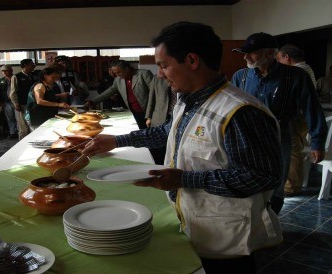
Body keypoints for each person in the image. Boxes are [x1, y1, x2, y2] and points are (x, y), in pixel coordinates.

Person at [82, 22, 283, 273]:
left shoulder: (240, 111)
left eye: (164, 65)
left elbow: (261, 176)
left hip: (227, 237)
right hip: (196, 222)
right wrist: (117, 140)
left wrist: (184, 179)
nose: (159, 74)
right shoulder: (188, 100)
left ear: (191, 60)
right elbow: (170, 132)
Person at [231, 33, 327, 213]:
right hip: (246, 137)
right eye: (244, 53)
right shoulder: (240, 76)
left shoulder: (295, 76)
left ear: (269, 53)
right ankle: (251, 226)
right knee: (247, 181)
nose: (245, 57)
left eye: (251, 53)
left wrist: (318, 142)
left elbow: (312, 108)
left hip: (279, 135)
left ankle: (272, 225)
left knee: (276, 184)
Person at [276, 44, 317, 195]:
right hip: (300, 117)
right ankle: (289, 183)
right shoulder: (306, 68)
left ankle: (291, 187)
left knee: (293, 150)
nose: (278, 62)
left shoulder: (298, 71)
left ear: (287, 57)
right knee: (294, 149)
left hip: (297, 117)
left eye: (279, 58)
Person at [85, 60, 153, 129]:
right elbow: (109, 92)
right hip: (133, 112)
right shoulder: (118, 80)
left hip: (147, 112)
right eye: (115, 73)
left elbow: (154, 93)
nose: (117, 75)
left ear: (127, 69)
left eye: (119, 72)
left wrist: (150, 115)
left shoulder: (144, 74)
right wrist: (92, 102)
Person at [145, 74, 175, 165]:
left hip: (177, 115)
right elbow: (151, 97)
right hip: (159, 115)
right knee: (158, 144)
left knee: (173, 143)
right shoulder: (157, 78)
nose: (160, 71)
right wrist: (149, 116)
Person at [10, 59, 37, 140]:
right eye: (32, 64)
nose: (34, 65)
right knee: (23, 128)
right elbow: (13, 92)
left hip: (34, 105)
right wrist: (16, 104)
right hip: (23, 104)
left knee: (34, 126)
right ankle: (22, 145)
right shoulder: (16, 77)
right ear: (26, 65)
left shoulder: (35, 75)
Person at [0, 65, 18, 139]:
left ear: (11, 70)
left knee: (19, 118)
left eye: (6, 70)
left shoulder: (16, 77)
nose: (4, 72)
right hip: (6, 102)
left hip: (16, 102)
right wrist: (0, 103)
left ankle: (20, 131)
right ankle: (13, 132)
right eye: (3, 71)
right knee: (10, 118)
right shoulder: (1, 80)